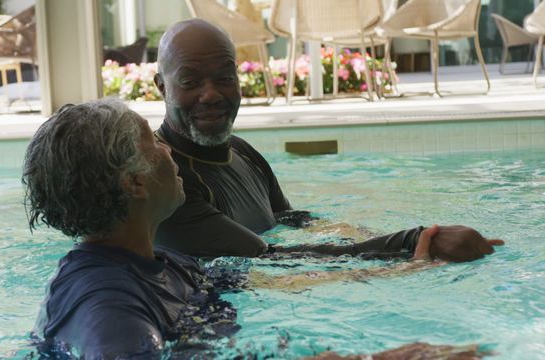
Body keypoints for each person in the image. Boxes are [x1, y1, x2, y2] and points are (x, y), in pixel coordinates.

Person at [24, 98, 487, 359]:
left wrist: (409, 261)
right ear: (136, 182)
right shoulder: (104, 302)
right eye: (154, 141)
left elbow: (276, 281)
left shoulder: (164, 265)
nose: (167, 149)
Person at [153, 19, 504, 260]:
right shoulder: (166, 182)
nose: (211, 94)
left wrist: (362, 234)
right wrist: (412, 242)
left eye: (225, 78)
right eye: (190, 82)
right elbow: (269, 261)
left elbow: (291, 221)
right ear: (161, 87)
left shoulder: (243, 153)